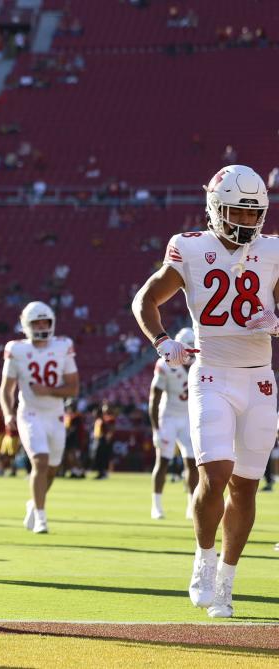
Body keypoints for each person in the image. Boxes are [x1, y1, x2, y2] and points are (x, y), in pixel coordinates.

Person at [132, 164, 275, 619]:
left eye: (254, 215)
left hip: (259, 378)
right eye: (237, 212)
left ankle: (228, 581)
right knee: (215, 474)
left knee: (246, 487)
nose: (246, 223)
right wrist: (162, 341)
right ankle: (204, 559)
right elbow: (146, 300)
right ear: (215, 209)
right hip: (211, 372)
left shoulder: (273, 251)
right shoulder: (190, 248)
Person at [0, 301, 79, 534]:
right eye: (36, 322)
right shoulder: (17, 349)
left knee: (52, 469)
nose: (42, 326)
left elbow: (73, 388)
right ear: (26, 325)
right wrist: (7, 414)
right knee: (40, 461)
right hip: (30, 413)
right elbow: (6, 389)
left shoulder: (63, 346)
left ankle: (34, 505)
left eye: (45, 321)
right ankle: (42, 518)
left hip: (55, 414)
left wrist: (49, 390)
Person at [149, 327, 199, 520]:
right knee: (163, 461)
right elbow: (154, 398)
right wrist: (155, 429)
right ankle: (157, 505)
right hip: (168, 416)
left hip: (188, 417)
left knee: (193, 463)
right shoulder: (165, 364)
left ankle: (191, 505)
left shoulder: (201, 364)